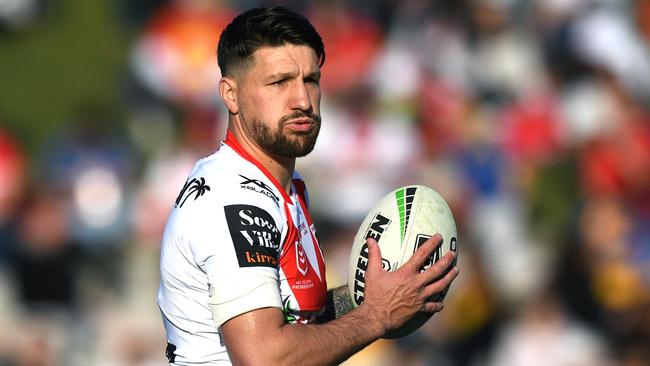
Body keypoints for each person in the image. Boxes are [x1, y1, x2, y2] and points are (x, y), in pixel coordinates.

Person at [157, 6, 459, 365]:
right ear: (230, 95)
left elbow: (299, 322)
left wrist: (370, 294)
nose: (302, 101)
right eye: (279, 82)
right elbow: (263, 357)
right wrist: (376, 316)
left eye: (310, 80)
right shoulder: (233, 199)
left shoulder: (282, 186)